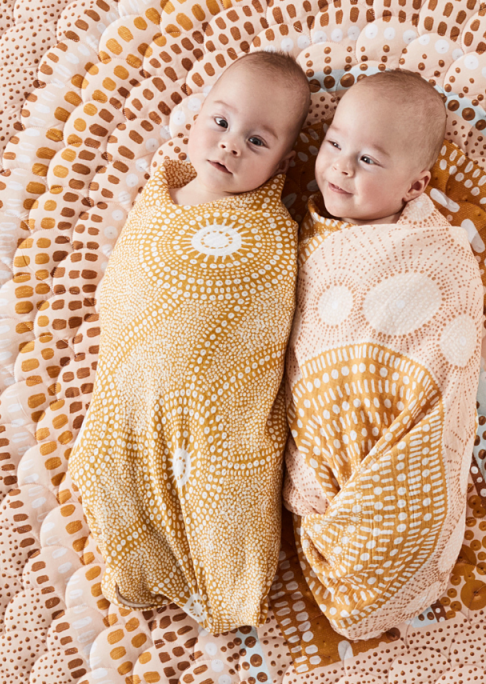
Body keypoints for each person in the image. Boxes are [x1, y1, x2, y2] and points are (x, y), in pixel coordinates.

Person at [68, 51, 311, 634]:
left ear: (283, 161)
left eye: (257, 142)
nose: (229, 145)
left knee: (227, 495)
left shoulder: (273, 233)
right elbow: (125, 286)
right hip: (132, 390)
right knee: (103, 465)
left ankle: (224, 581)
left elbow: (274, 324)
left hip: (218, 414)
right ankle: (140, 563)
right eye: (221, 122)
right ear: (197, 116)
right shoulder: (159, 196)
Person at [284, 69, 485, 640]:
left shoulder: (434, 252)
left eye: (369, 160)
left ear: (415, 188)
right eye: (335, 144)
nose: (342, 166)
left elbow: (448, 346)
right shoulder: (307, 236)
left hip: (398, 450)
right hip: (329, 469)